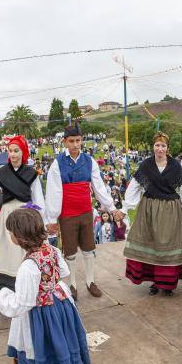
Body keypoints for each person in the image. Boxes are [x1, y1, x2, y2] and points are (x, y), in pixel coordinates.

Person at [0, 207, 94, 364]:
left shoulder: (28, 267)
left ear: (19, 237)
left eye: (10, 232)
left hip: (43, 313)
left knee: (48, 343)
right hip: (61, 304)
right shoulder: (51, 249)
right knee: (64, 340)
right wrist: (48, 286)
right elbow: (63, 272)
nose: (9, 235)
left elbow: (21, 304)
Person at [45, 124, 123, 300]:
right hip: (67, 214)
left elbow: (99, 188)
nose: (75, 144)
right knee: (70, 251)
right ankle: (72, 284)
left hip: (86, 212)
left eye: (78, 140)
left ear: (81, 140)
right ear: (65, 142)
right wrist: (52, 218)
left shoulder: (89, 161)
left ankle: (90, 281)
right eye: (71, 141)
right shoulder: (57, 164)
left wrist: (111, 208)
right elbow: (54, 192)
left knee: (89, 249)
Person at [123, 132, 182, 296]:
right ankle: (155, 282)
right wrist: (125, 208)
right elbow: (135, 186)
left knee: (166, 245)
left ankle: (168, 282)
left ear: (167, 148)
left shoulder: (175, 166)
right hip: (148, 208)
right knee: (151, 245)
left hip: (170, 210)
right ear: (153, 147)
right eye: (157, 145)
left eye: (163, 146)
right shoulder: (146, 165)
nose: (160, 149)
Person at [0, 135, 45, 289]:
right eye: (10, 151)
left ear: (23, 152)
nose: (12, 154)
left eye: (16, 151)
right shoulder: (1, 173)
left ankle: (29, 287)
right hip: (7, 217)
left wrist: (41, 221)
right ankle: (8, 290)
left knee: (25, 250)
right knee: (7, 251)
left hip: (26, 216)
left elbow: (38, 201)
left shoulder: (32, 173)